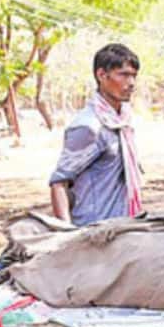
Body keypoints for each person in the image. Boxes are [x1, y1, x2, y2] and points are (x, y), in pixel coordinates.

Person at [49, 43, 143, 226]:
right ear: (101, 75)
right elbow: (59, 183)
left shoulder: (121, 121)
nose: (131, 83)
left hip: (122, 227)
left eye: (133, 76)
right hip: (95, 233)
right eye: (123, 75)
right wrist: (67, 235)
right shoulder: (89, 126)